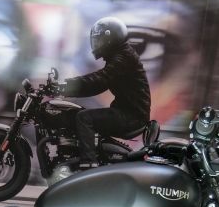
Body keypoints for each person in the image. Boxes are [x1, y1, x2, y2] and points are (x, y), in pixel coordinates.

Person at [59, 16, 151, 168]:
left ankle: (89, 163)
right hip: (127, 112)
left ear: (110, 39)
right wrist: (67, 87)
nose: (97, 44)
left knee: (84, 118)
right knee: (77, 112)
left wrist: (66, 86)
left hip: (132, 117)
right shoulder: (120, 55)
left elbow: (100, 80)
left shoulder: (123, 57)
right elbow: (98, 83)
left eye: (100, 40)